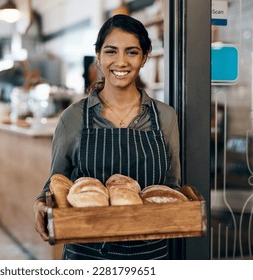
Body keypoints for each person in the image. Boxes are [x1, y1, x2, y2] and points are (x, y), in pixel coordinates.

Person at [33, 14, 181, 260]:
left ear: (144, 58)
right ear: (98, 56)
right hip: (86, 255)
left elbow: (171, 187)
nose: (121, 62)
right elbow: (56, 182)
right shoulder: (73, 118)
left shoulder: (165, 117)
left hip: (150, 255)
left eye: (132, 52)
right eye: (111, 52)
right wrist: (40, 203)